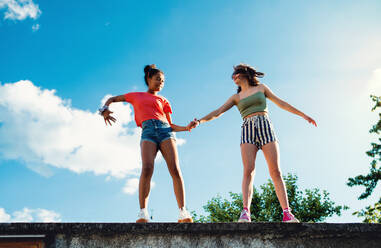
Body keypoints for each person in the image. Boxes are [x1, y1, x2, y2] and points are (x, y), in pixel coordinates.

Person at [190, 63, 317, 223]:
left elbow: (281, 103)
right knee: (248, 170)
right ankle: (245, 212)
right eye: (233, 75)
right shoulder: (236, 98)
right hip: (247, 129)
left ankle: (287, 213)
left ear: (246, 74)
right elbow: (218, 112)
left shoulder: (261, 88)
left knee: (275, 171)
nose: (234, 76)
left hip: (265, 126)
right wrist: (200, 121)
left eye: (236, 73)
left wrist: (303, 115)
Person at [99, 64, 194, 223]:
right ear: (149, 79)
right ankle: (143, 213)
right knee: (147, 168)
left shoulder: (163, 100)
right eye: (157, 79)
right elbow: (112, 99)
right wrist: (104, 110)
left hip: (165, 131)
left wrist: (186, 128)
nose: (160, 83)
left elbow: (170, 124)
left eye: (163, 81)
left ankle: (183, 212)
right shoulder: (135, 95)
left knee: (175, 169)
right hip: (148, 131)